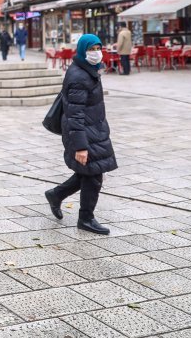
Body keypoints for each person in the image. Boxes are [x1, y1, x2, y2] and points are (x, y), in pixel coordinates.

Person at [44, 34, 117, 235]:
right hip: (84, 133)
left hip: (93, 129)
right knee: (93, 175)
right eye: (91, 49)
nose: (96, 52)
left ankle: (56, 195)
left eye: (98, 48)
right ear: (83, 50)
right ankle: (85, 218)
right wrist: (81, 146)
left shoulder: (88, 70)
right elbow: (75, 115)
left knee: (89, 173)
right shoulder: (79, 76)